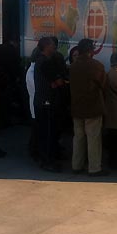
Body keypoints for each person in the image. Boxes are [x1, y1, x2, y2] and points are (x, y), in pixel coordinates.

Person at [69, 38, 107, 176]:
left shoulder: (72, 66)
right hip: (92, 107)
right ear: (91, 50)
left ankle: (76, 165)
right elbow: (103, 84)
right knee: (93, 138)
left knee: (78, 137)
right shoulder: (97, 66)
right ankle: (94, 168)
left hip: (76, 107)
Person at [33, 36, 66, 171]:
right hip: (46, 102)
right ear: (46, 47)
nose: (55, 47)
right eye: (52, 45)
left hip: (40, 100)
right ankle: (47, 161)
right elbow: (59, 82)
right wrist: (57, 83)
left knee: (44, 132)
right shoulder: (46, 63)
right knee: (48, 132)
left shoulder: (39, 61)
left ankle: (45, 158)